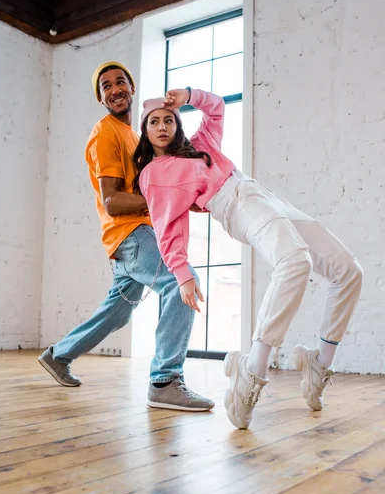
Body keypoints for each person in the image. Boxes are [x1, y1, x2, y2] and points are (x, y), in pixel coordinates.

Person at [133, 87, 363, 429]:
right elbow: (169, 225)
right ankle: (252, 370)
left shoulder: (201, 145)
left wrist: (189, 96)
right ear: (145, 131)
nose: (163, 126)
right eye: (154, 121)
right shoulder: (155, 174)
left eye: (169, 119)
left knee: (349, 271)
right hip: (234, 205)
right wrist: (182, 273)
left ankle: (320, 362)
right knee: (295, 261)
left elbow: (216, 108)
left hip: (259, 193)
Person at [38, 62, 215, 413]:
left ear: (132, 88)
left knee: (117, 312)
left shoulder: (133, 135)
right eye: (106, 86)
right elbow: (113, 201)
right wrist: (170, 198)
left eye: (121, 82)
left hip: (132, 236)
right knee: (182, 281)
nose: (115, 89)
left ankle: (58, 356)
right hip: (130, 234)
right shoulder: (105, 133)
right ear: (101, 97)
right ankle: (165, 381)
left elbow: (157, 191)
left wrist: (185, 196)